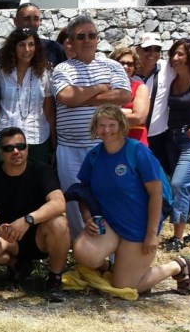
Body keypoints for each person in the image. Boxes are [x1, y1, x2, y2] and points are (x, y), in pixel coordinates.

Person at [72, 105, 190, 296]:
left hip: (138, 228)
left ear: (121, 125)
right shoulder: (94, 156)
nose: (106, 130)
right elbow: (83, 193)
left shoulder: (138, 152)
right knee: (82, 252)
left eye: (112, 125)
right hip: (110, 224)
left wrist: (151, 235)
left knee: (123, 288)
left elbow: (156, 194)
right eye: (101, 125)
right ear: (95, 128)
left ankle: (176, 266)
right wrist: (87, 217)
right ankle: (117, 266)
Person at [51, 16, 130, 239]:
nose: (87, 40)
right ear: (72, 42)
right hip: (70, 148)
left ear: (98, 39)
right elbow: (66, 96)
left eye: (92, 35)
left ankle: (111, 250)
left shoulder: (112, 66)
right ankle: (82, 250)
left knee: (110, 195)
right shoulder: (62, 69)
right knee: (75, 200)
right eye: (81, 36)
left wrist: (81, 97)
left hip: (106, 146)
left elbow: (123, 95)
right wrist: (102, 88)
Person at [0, 127, 70, 303]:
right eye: (9, 148)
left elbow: (58, 203)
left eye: (21, 146)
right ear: (0, 152)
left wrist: (28, 220)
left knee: (60, 223)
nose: (16, 151)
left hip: (40, 235)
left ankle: (55, 279)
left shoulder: (42, 171)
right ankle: (17, 266)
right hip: (10, 238)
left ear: (28, 148)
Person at [0, 28, 55, 165]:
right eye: (21, 45)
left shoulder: (44, 74)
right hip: (5, 137)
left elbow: (48, 110)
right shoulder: (0, 73)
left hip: (37, 138)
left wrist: (54, 143)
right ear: (13, 48)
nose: (27, 49)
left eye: (31, 44)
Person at [162, 37, 190, 251]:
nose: (175, 58)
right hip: (172, 138)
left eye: (181, 54)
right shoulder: (172, 79)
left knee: (177, 184)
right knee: (185, 185)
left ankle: (177, 237)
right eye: (174, 54)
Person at [133, 32, 175, 174]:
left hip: (158, 137)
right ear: (137, 49)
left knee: (161, 178)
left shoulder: (168, 68)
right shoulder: (129, 71)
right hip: (133, 135)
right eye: (147, 48)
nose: (152, 53)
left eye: (156, 49)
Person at [0, 2, 65, 70]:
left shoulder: (54, 49)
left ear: (40, 22)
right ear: (15, 21)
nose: (31, 23)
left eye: (36, 19)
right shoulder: (1, 57)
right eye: (26, 19)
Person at [109, 46, 149, 145]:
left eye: (130, 64)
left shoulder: (140, 88)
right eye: (121, 63)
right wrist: (128, 111)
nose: (125, 67)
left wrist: (109, 115)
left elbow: (138, 118)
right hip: (110, 141)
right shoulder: (104, 87)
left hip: (134, 141)